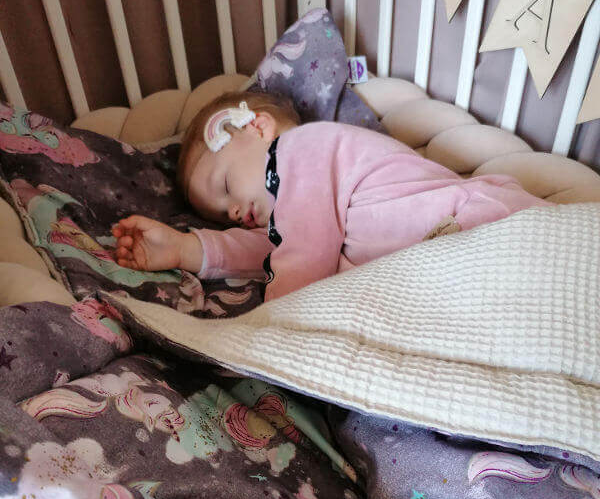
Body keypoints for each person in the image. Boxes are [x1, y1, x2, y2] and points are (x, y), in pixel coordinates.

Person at [112, 90, 549, 302]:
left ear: (258, 128)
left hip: (483, 226)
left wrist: (272, 332)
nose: (234, 210)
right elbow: (274, 249)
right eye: (223, 214)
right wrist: (187, 249)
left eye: (226, 186)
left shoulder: (302, 149)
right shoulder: (298, 218)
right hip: (449, 275)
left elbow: (299, 260)